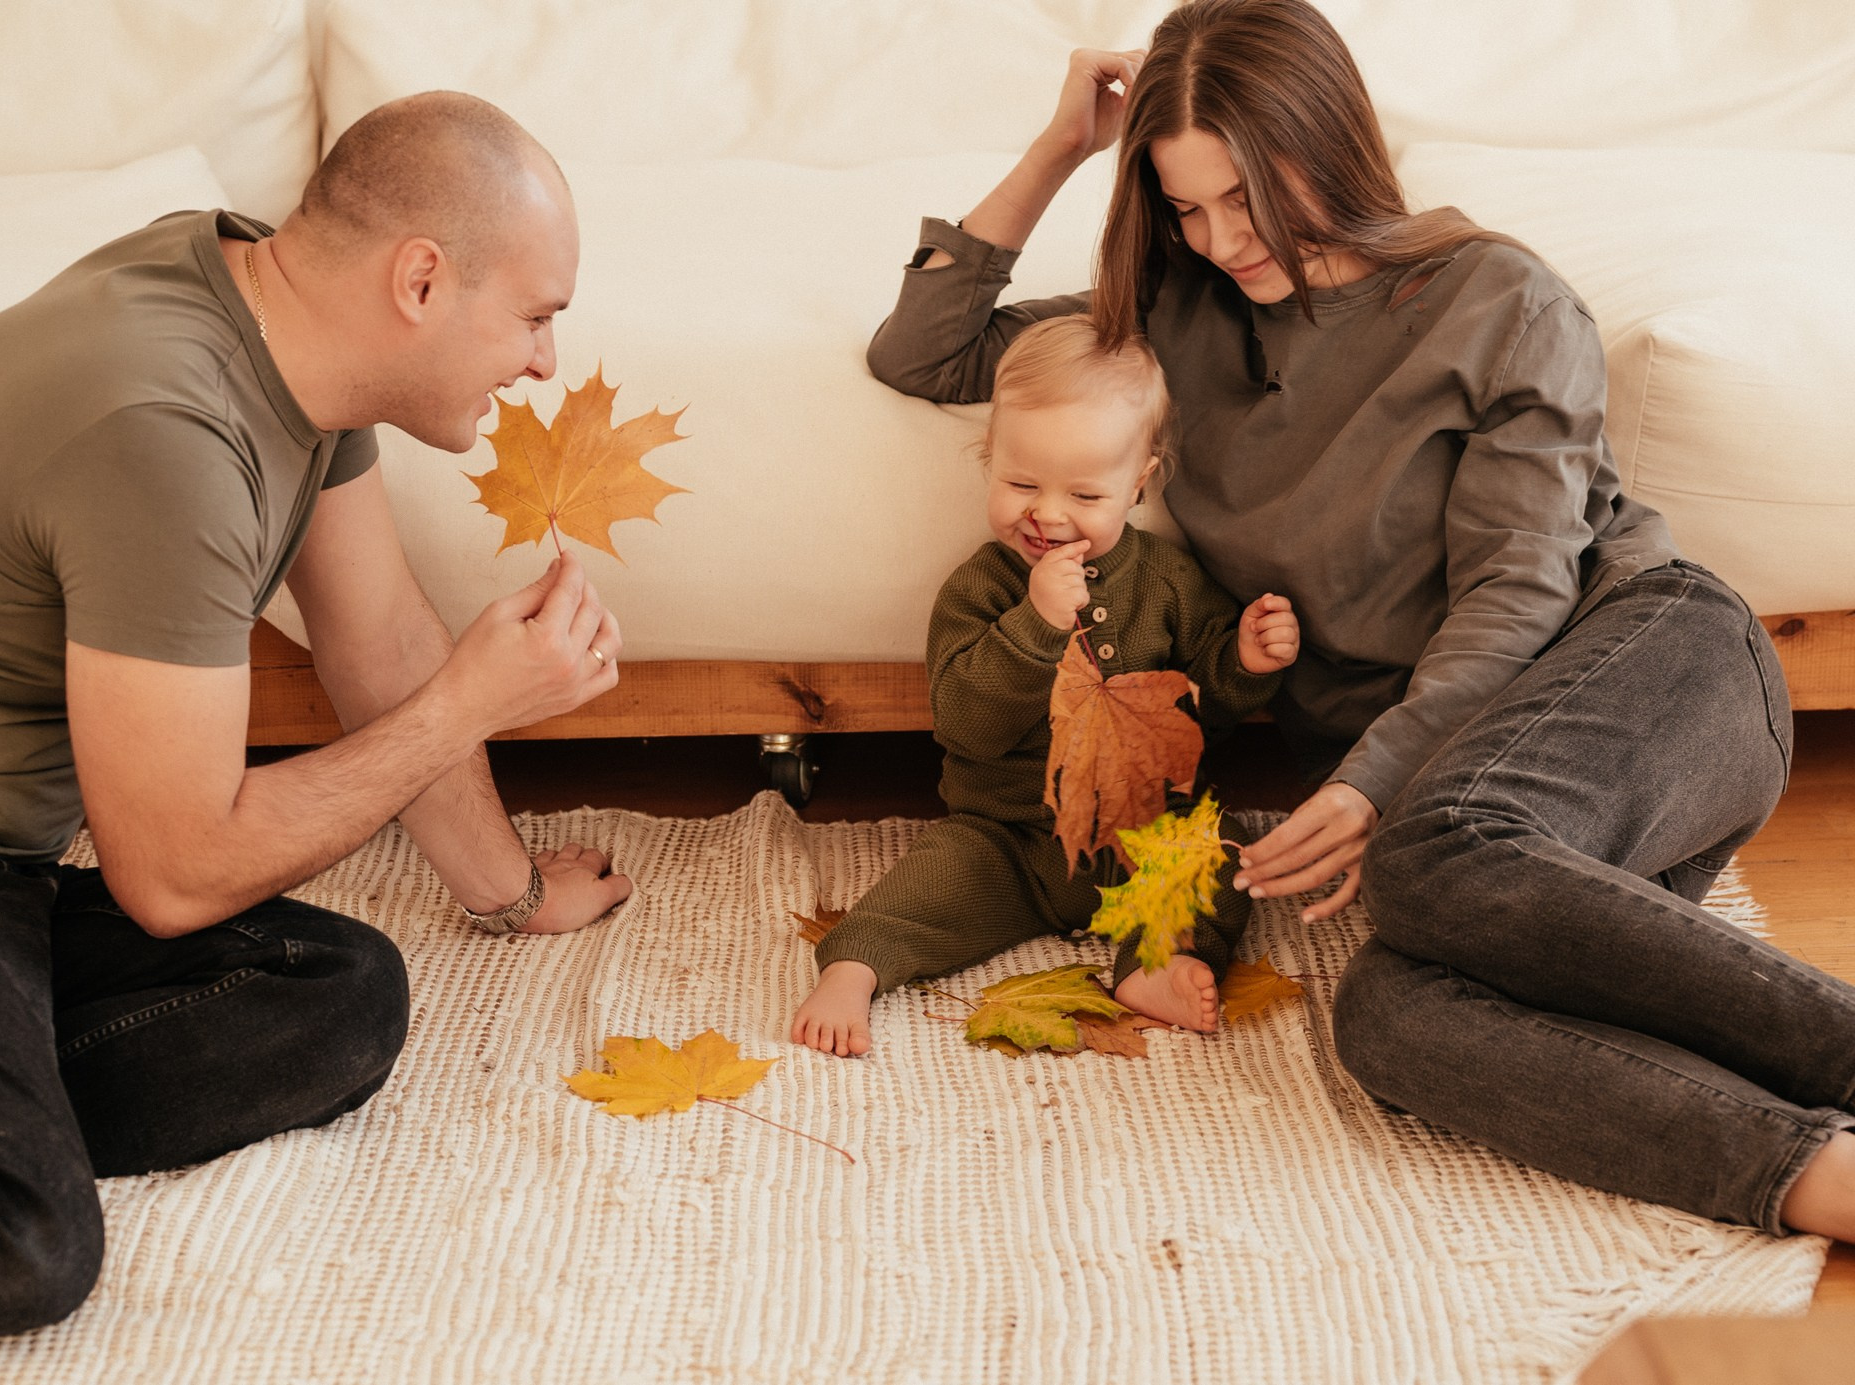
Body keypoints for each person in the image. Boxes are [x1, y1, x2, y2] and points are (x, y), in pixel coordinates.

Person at [862, 0, 1855, 1241]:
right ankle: (1819, 1179)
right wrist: (1063, 146)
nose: (1222, 239)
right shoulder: (1175, 320)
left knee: (1432, 852)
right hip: (1473, 802)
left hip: (1648, 664)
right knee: (1387, 1018)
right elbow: (925, 350)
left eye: (1244, 196)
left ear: (1327, 141)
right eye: (1185, 206)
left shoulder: (1499, 300)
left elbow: (1517, 587)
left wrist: (1375, 780)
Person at [0, 92, 634, 1342]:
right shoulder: (162, 431)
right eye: (537, 314)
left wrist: (509, 892)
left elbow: (375, 635)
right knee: (9, 1224)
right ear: (420, 280)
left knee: (333, 989)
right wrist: (471, 702)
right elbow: (174, 873)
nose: (546, 360)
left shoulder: (276, 322)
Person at [793, 314, 1299, 1057]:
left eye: (1085, 495)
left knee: (1221, 851)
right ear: (987, 457)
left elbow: (1201, 711)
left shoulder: (1167, 581)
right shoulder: (980, 589)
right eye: (1021, 481)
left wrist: (1246, 663)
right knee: (929, 882)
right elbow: (966, 723)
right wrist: (1033, 623)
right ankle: (853, 969)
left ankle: (1156, 965)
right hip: (1010, 839)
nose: (1048, 513)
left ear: (1138, 485)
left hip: (1145, 836)